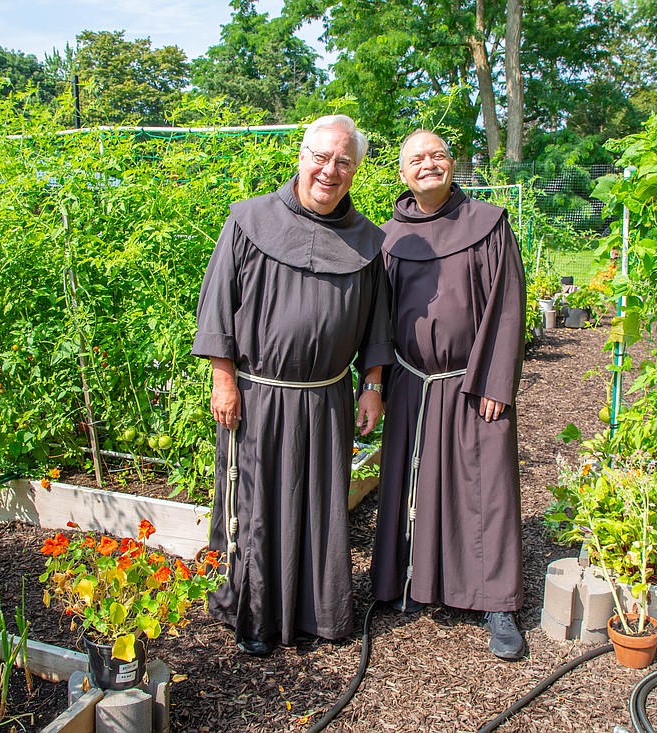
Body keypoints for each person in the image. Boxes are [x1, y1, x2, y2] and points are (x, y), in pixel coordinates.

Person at [192, 115, 391, 656]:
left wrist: (371, 384)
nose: (331, 170)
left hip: (326, 397)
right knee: (254, 504)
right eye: (322, 157)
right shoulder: (248, 219)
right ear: (301, 157)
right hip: (257, 395)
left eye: (344, 162)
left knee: (321, 505)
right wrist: (222, 377)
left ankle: (317, 613)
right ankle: (252, 614)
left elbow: (377, 323)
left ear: (356, 170)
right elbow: (218, 304)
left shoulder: (369, 242)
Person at [370, 130, 527, 660]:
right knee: (412, 482)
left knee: (488, 490)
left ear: (452, 163)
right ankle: (411, 582)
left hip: (473, 380)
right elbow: (375, 319)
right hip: (411, 379)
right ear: (402, 174)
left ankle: (496, 601)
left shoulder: (487, 224)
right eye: (416, 159)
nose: (428, 164)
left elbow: (508, 306)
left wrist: (497, 380)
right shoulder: (389, 237)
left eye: (437, 155)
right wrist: (378, 382)